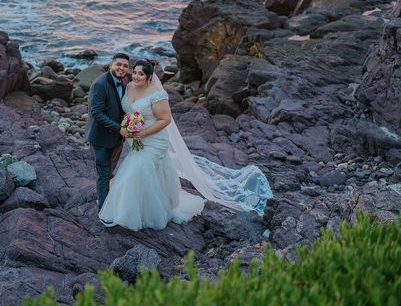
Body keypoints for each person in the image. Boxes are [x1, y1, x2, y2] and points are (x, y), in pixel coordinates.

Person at [99, 59, 272, 231]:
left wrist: (143, 132)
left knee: (136, 171)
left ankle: (141, 213)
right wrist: (127, 126)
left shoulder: (157, 94)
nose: (136, 76)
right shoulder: (129, 87)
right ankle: (142, 205)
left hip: (153, 139)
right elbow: (128, 111)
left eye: (141, 74)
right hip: (135, 139)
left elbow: (165, 119)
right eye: (135, 72)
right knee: (148, 172)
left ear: (150, 77)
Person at [86, 52, 130, 210]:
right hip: (101, 138)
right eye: (118, 64)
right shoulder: (100, 84)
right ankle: (103, 210)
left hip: (117, 139)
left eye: (125, 66)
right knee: (104, 174)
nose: (122, 68)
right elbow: (96, 113)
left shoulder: (123, 81)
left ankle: (107, 200)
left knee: (110, 172)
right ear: (111, 65)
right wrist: (120, 129)